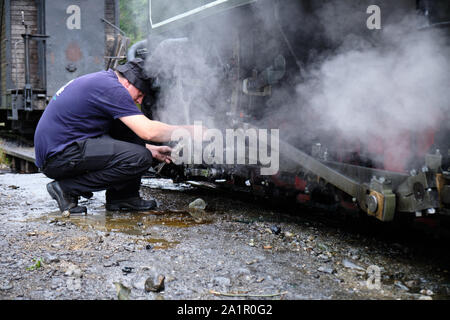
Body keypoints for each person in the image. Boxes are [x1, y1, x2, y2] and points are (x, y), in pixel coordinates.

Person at [34, 58, 195, 215]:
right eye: (140, 94)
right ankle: (67, 188)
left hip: (62, 149)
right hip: (59, 156)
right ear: (128, 82)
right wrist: (190, 131)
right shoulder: (111, 88)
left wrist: (150, 149)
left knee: (128, 128)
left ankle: (123, 198)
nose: (140, 100)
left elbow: (121, 135)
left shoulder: (104, 81)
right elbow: (149, 131)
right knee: (140, 157)